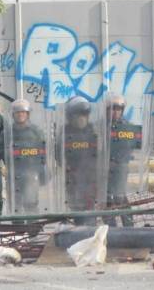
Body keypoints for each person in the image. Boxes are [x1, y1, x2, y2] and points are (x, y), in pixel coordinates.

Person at [61, 96, 101, 225]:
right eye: (78, 115)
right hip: (72, 176)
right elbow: (58, 155)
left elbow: (101, 154)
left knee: (90, 206)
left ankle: (90, 231)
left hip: (90, 176)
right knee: (76, 206)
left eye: (84, 114)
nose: (81, 118)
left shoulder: (94, 132)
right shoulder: (64, 133)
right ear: (70, 116)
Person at [105, 93, 141, 227]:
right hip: (103, 167)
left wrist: (117, 161)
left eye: (118, 109)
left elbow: (128, 147)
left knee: (120, 197)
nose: (115, 112)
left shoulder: (127, 127)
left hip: (120, 166)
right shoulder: (100, 126)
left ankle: (129, 226)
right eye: (112, 109)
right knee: (106, 198)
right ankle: (110, 228)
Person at [9, 99, 47, 214]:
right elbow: (2, 149)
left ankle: (33, 228)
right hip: (14, 172)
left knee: (31, 201)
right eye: (18, 112)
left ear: (28, 114)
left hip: (31, 171)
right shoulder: (9, 131)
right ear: (13, 115)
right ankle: (18, 227)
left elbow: (43, 150)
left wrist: (42, 170)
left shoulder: (36, 131)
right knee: (16, 203)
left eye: (23, 112)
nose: (20, 115)